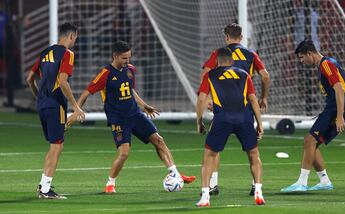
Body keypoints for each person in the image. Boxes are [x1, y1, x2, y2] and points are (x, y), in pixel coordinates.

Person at [71, 41, 196, 193]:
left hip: (135, 114)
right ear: (115, 56)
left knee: (158, 140)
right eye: (124, 58)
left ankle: (175, 174)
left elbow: (130, 90)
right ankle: (110, 184)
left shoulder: (130, 70)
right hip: (118, 119)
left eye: (129, 57)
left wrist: (144, 105)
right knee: (124, 153)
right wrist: (77, 109)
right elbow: (86, 93)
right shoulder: (105, 74)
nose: (127, 61)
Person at [201, 23, 270, 196]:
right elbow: (265, 76)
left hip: (223, 106)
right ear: (242, 37)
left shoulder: (219, 53)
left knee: (213, 148)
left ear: (226, 37)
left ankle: (213, 185)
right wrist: (264, 97)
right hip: (244, 107)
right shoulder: (251, 54)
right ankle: (256, 186)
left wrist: (208, 97)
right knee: (252, 149)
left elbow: (206, 74)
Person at [281, 39, 345, 192]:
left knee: (310, 140)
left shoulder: (326, 64)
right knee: (311, 143)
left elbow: (339, 89)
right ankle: (324, 181)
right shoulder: (325, 64)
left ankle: (302, 183)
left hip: (336, 110)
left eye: (302, 58)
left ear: (310, 53)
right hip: (333, 109)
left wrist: (340, 116)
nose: (302, 62)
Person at [26, 22, 85, 199]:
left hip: (42, 104)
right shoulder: (68, 54)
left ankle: (43, 186)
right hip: (56, 105)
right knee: (57, 146)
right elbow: (63, 81)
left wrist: (39, 97)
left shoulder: (45, 52)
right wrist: (76, 106)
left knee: (54, 146)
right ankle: (45, 190)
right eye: (76, 38)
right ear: (72, 36)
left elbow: (30, 79)